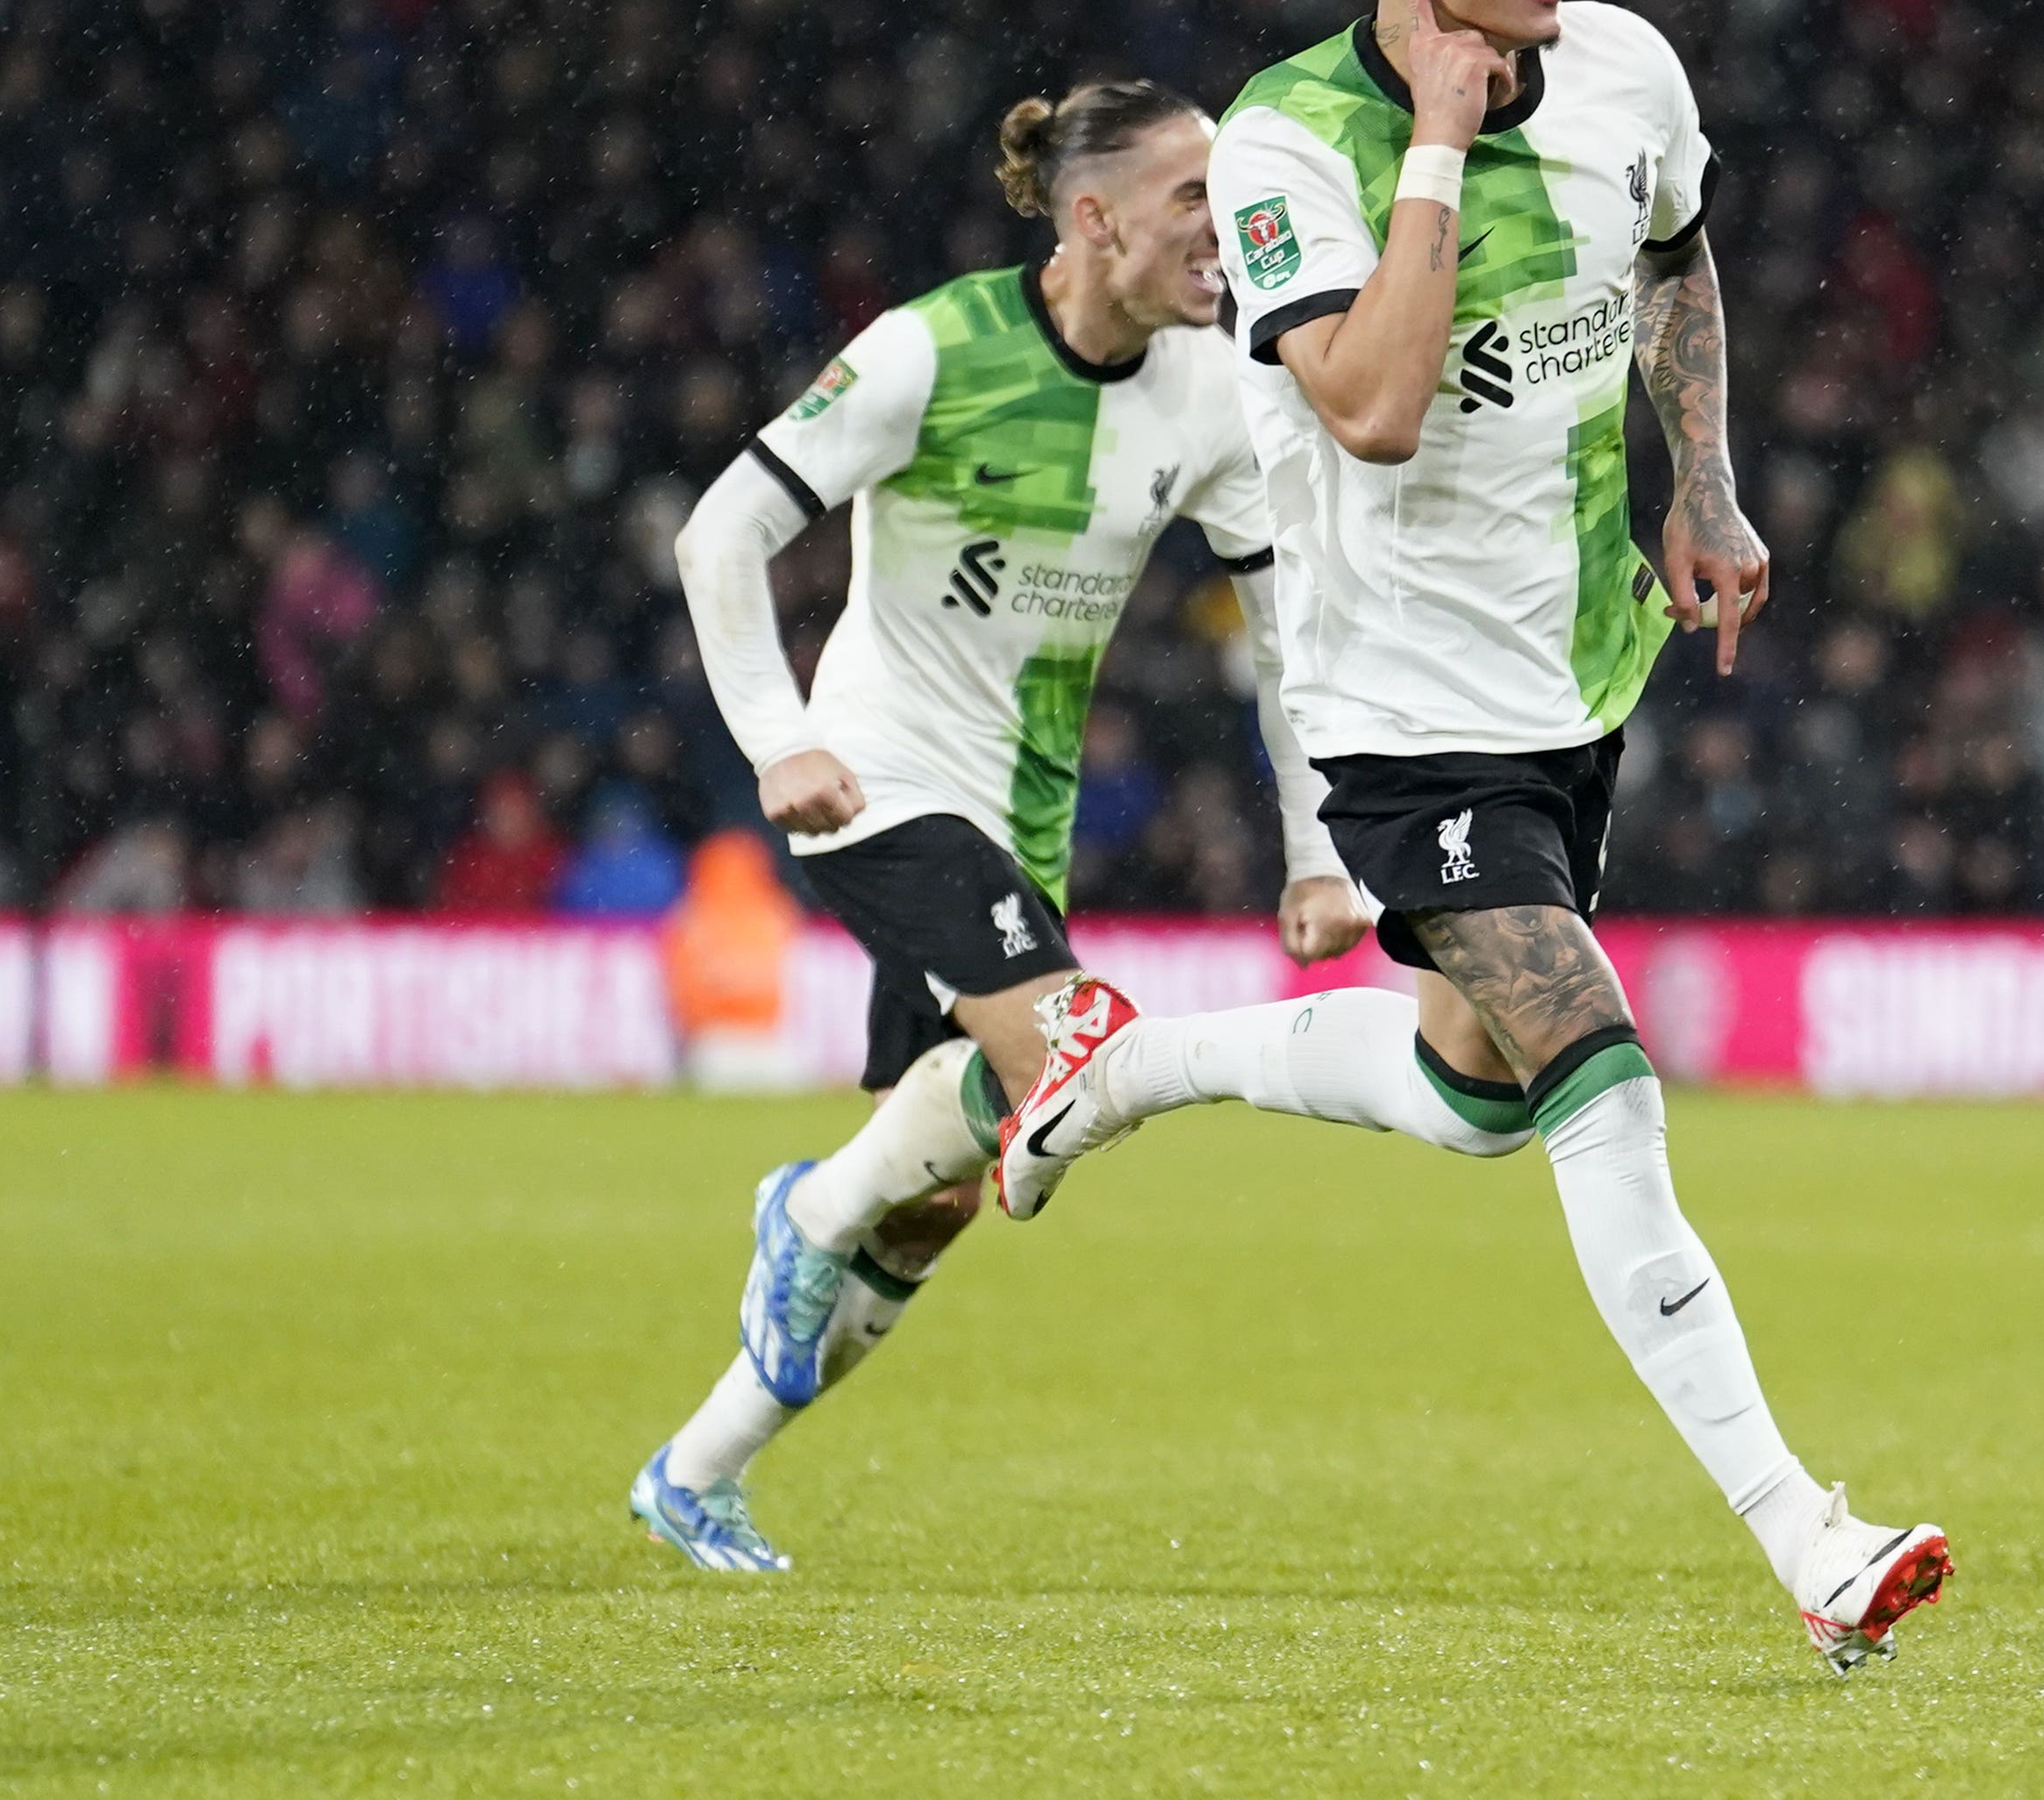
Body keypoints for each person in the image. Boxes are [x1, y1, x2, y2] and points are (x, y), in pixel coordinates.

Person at [989, 0, 1949, 1673]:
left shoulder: (1623, 74)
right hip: (1396, 705)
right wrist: (1433, 139)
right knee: (1591, 1056)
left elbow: (1674, 256)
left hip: (1576, 667)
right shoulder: (1291, 145)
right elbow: (1366, 403)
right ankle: (1806, 1537)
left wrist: (1709, 482)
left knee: (1474, 1090)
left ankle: (1126, 1068)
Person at [636, 81, 1528, 1568]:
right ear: (1093, 219)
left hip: (1015, 823)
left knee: (936, 1205)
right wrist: (776, 737)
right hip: (878, 779)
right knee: (1069, 1055)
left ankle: (696, 1468)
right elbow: (720, 530)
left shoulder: (1212, 389)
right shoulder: (932, 349)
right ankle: (800, 1216)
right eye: (1194, 200)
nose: (1222, 230)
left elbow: (1283, 638)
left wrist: (1318, 852)